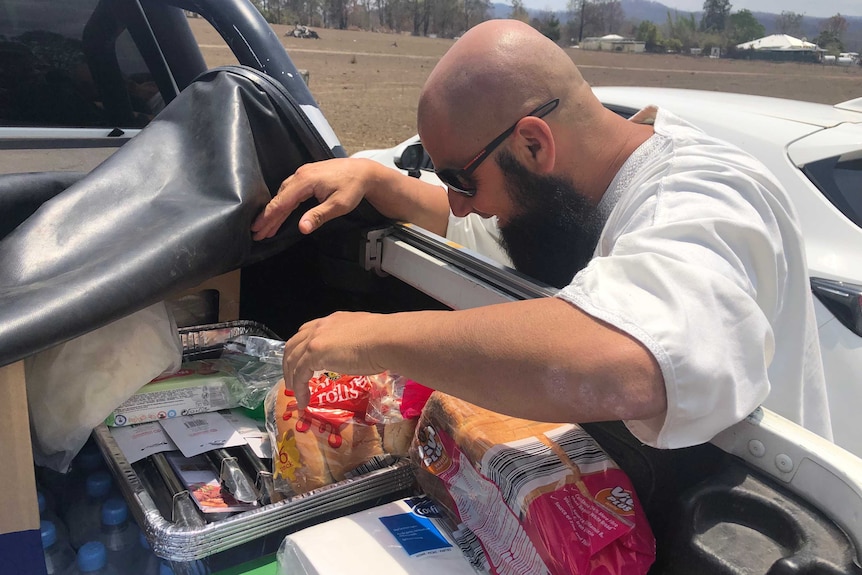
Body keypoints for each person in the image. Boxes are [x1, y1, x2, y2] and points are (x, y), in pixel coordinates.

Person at [251, 19, 832, 449]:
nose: (457, 199)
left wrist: (374, 337)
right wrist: (378, 179)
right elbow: (481, 225)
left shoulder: (707, 195)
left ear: (534, 143)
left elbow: (631, 362)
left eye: (459, 177)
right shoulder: (579, 192)